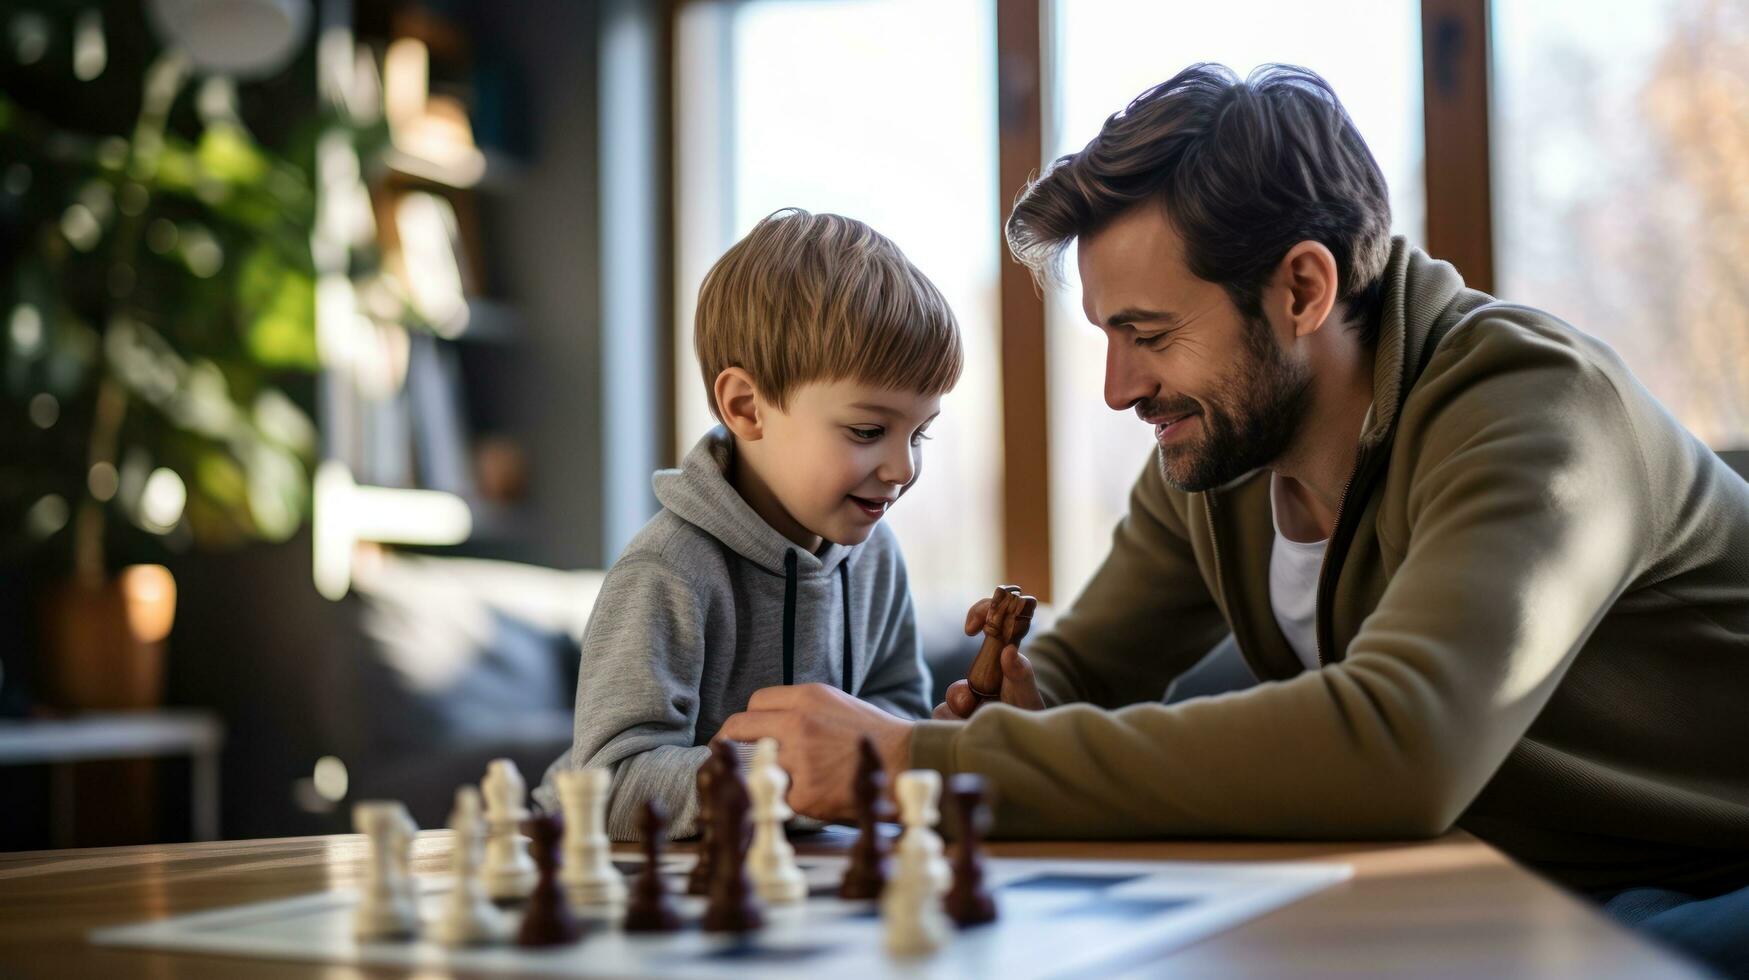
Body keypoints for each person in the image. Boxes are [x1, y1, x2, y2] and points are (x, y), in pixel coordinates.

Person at [720, 64, 1749, 975]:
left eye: (1148, 332)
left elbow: (1400, 746)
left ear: (1302, 287)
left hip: (1709, 882)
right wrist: (1003, 708)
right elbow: (1079, 673)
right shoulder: (1220, 452)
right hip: (1513, 880)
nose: (1120, 388)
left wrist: (915, 763)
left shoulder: (1536, 409)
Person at [538, 208, 959, 839]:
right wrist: (788, 772)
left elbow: (891, 713)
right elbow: (609, 783)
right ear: (746, 408)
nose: (902, 468)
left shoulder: (877, 557)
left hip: (793, 879)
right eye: (868, 431)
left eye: (918, 434)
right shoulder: (668, 570)